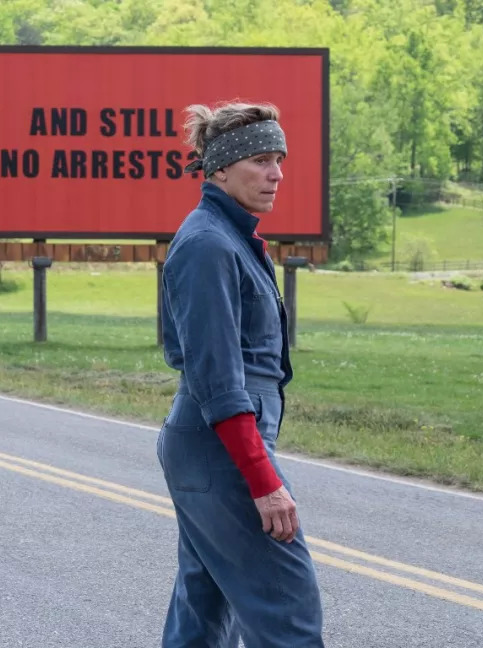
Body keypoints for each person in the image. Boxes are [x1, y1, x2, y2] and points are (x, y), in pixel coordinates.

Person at [155, 101, 325, 647]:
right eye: (261, 160)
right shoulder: (208, 245)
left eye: (279, 160)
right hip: (220, 447)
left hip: (211, 446)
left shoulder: (228, 237)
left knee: (204, 611)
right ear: (221, 169)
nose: (276, 175)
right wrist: (263, 480)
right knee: (287, 610)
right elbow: (219, 381)